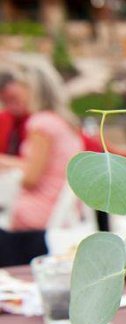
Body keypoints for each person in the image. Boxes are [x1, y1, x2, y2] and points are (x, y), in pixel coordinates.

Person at [0, 57, 84, 266]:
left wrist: (7, 164)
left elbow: (30, 178)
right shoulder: (62, 121)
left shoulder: (41, 124)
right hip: (60, 209)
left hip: (39, 215)